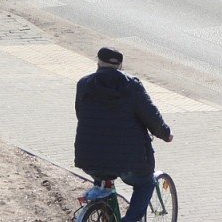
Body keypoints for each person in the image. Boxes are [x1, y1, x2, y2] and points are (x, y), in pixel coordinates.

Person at [74, 46, 173, 222]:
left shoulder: (84, 84)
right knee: (146, 182)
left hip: (89, 156)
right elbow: (151, 116)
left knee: (101, 173)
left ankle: (103, 208)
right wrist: (165, 134)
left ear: (98, 62)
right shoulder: (132, 86)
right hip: (129, 160)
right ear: (120, 65)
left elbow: (80, 114)